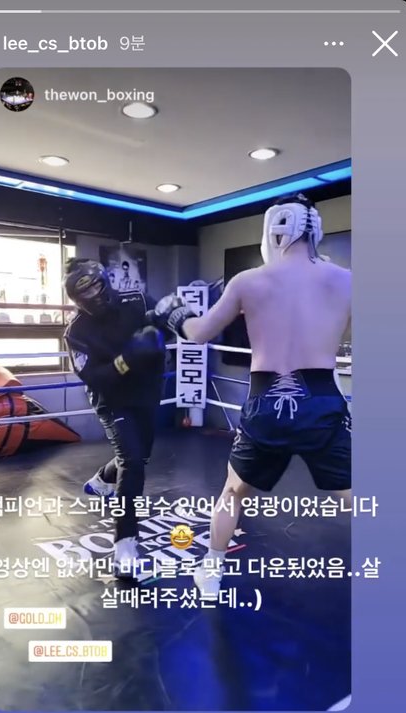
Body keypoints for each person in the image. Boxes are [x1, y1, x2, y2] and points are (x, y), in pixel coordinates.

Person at [148, 193, 352, 596]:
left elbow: (198, 334)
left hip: (266, 400)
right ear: (315, 229)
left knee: (232, 491)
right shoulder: (346, 278)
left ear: (273, 228)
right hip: (322, 398)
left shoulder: (249, 280)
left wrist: (175, 312)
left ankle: (210, 573)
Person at [63, 260, 166, 577]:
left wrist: (165, 325)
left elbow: (159, 325)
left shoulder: (137, 299)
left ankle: (101, 480)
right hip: (113, 400)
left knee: (139, 456)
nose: (95, 294)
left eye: (96, 285)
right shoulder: (76, 332)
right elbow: (95, 378)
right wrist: (126, 359)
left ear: (105, 281)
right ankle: (125, 548)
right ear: (77, 299)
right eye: (86, 292)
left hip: (147, 391)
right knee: (132, 462)